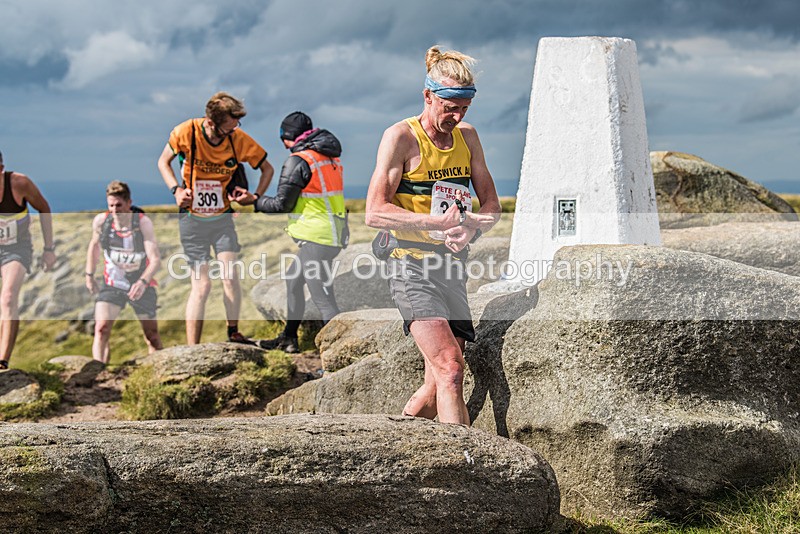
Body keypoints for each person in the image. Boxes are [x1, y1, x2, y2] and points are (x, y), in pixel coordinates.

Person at [364, 46, 501, 425]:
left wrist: (471, 225)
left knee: (437, 381)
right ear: (428, 95)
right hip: (409, 267)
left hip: (452, 268)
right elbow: (374, 212)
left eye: (464, 109)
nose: (456, 117)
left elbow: (492, 208)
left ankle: (401, 441)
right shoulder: (401, 138)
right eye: (449, 107)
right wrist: (436, 224)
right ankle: (465, 467)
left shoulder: (467, 137)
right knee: (451, 370)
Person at [157, 92, 274, 345]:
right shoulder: (186, 132)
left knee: (230, 276)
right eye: (228, 129)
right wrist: (176, 190)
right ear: (211, 123)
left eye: (236, 127)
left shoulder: (237, 138)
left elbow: (267, 168)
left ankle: (233, 333)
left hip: (222, 219)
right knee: (202, 286)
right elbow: (163, 162)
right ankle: (193, 348)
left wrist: (255, 196)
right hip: (192, 220)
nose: (234, 132)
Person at [231, 112, 347, 353]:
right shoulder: (328, 158)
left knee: (323, 299)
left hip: (317, 237)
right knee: (294, 280)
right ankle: (289, 338)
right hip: (331, 233)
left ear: (287, 138)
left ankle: (337, 355)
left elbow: (282, 204)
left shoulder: (299, 160)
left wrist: (253, 201)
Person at [85, 181, 162, 364]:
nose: (114, 210)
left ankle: (160, 370)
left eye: (118, 205)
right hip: (113, 283)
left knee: (151, 335)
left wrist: (142, 282)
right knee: (102, 328)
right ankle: (99, 372)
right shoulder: (102, 221)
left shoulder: (142, 223)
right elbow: (94, 246)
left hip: (141, 284)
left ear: (129, 203)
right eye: (110, 205)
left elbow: (156, 259)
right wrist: (89, 275)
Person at [0, 150, 57, 371]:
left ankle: (3, 361)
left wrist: (49, 248)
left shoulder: (19, 183)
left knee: (7, 298)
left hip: (17, 249)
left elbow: (44, 208)